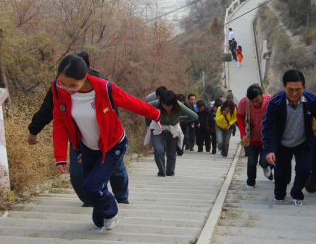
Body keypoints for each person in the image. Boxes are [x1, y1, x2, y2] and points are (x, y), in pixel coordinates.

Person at [52, 54, 161, 231]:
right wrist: (60, 156)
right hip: (87, 146)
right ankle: (100, 219)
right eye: (62, 83)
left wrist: (155, 114)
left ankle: (111, 212)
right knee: (92, 185)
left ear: (84, 77)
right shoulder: (59, 91)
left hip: (112, 144)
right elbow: (59, 123)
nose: (67, 88)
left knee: (92, 186)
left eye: (73, 85)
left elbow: (131, 102)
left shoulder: (104, 88)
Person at [27, 51, 130, 207]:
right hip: (78, 138)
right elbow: (48, 110)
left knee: (115, 169)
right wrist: (33, 130)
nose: (69, 87)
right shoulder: (60, 86)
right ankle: (90, 201)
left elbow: (111, 110)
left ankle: (121, 198)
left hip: (104, 138)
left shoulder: (100, 82)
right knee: (77, 173)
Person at [262, 69, 316, 205]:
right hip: (282, 144)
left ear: (303, 87)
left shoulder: (311, 99)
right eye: (290, 89)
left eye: (298, 90)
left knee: (305, 170)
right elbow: (267, 127)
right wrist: (269, 150)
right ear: (284, 87)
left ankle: (297, 194)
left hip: (303, 142)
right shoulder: (275, 102)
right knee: (280, 172)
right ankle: (279, 195)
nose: (294, 93)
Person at [147, 90, 198, 176]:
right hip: (157, 128)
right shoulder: (156, 103)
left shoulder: (180, 106)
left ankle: (170, 171)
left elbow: (194, 116)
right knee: (158, 151)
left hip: (173, 129)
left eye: (169, 105)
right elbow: (143, 108)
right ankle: (161, 171)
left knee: (171, 153)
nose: (166, 107)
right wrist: (152, 116)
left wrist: (181, 119)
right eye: (164, 105)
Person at [236, 84, 274, 188]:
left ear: (262, 95)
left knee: (264, 161)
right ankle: (250, 183)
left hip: (266, 137)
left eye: (258, 100)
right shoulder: (244, 102)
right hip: (251, 137)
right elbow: (239, 117)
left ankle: (267, 169)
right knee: (252, 161)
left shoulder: (271, 100)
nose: (256, 103)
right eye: (253, 101)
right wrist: (243, 134)